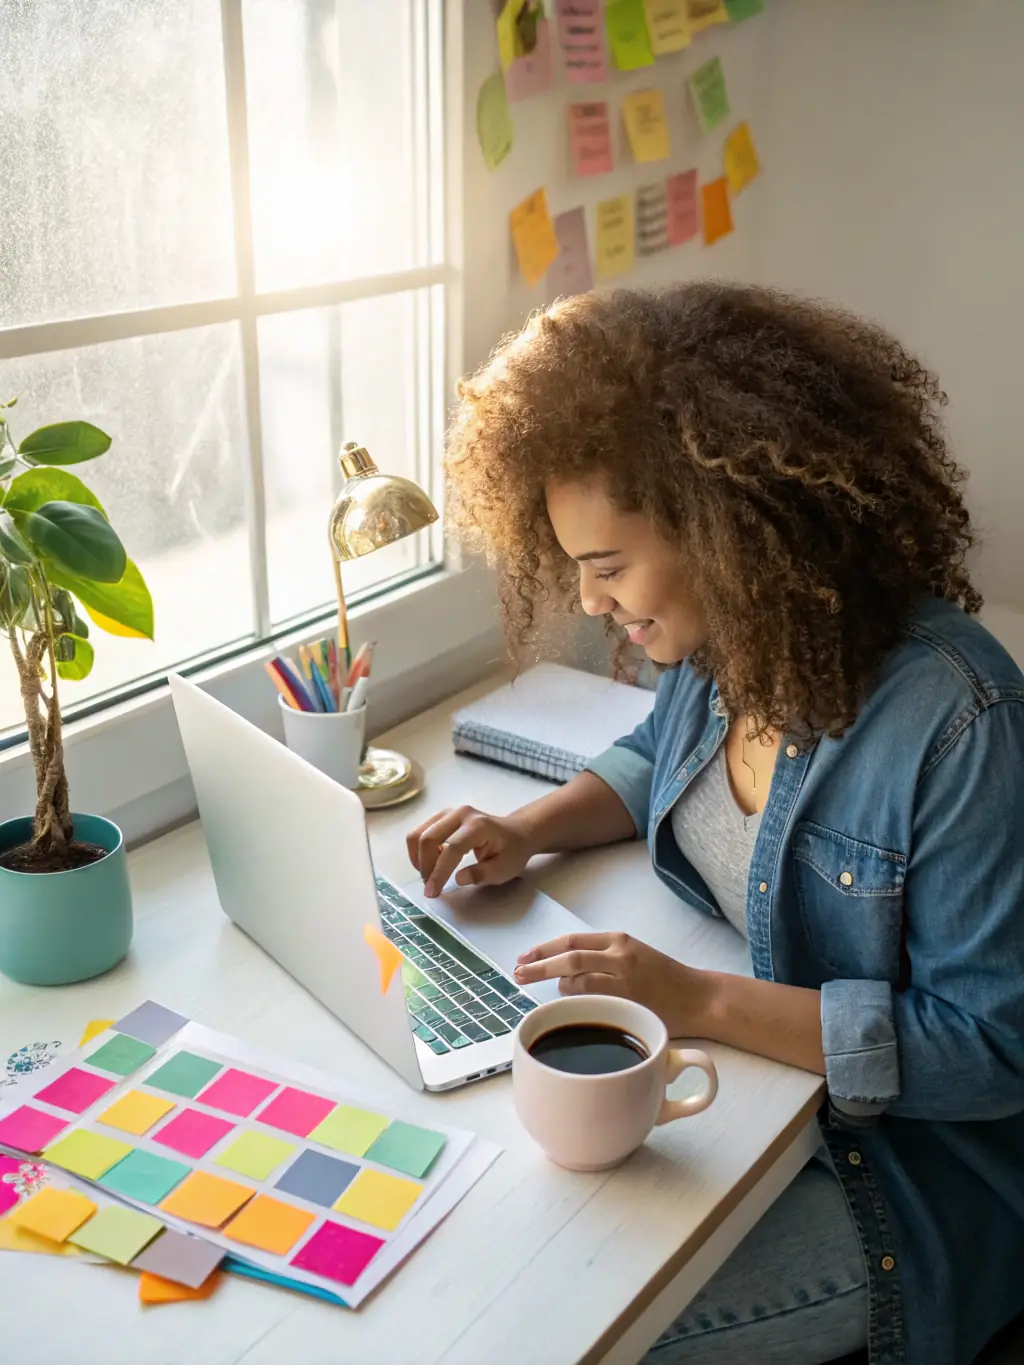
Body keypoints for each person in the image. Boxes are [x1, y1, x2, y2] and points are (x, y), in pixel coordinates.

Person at [406, 284, 1024, 1365]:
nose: (592, 604)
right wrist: (532, 826)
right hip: (748, 1102)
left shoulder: (958, 723)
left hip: (909, 1177)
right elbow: (663, 761)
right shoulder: (722, 639)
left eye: (607, 568)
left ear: (726, 529)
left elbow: (990, 1051)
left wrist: (697, 999)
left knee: (595, 1336)